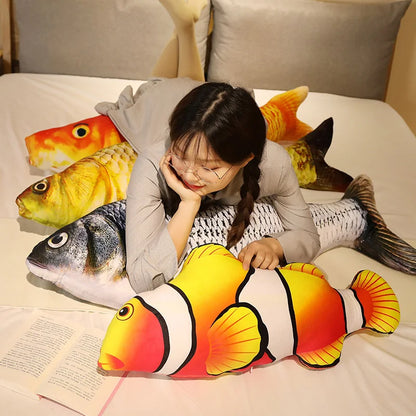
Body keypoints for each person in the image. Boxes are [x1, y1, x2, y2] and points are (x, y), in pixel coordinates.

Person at [117, 0, 320, 292]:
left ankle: (185, 27)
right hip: (159, 107)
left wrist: (274, 245)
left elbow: (308, 236)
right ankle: (185, 27)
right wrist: (189, 204)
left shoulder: (273, 164)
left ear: (245, 160)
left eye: (209, 167)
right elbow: (143, 278)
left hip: (202, 120)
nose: (189, 174)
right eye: (180, 156)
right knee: (158, 84)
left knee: (191, 87)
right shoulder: (154, 161)